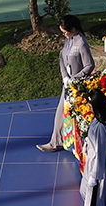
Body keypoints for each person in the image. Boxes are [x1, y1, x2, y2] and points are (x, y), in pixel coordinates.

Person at [37, 14, 96, 153]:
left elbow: (89, 65)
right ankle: (55, 142)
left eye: (65, 32)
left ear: (74, 29)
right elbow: (62, 59)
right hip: (68, 84)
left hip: (76, 86)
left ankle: (76, 144)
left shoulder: (81, 43)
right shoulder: (68, 40)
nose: (64, 35)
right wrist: (65, 77)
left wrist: (75, 78)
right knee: (61, 113)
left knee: (74, 114)